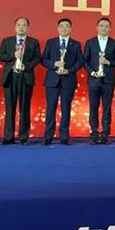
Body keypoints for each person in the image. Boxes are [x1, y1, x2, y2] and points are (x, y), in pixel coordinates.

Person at [0, 17, 41, 145]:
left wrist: (26, 66)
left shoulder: (33, 42)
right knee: (9, 108)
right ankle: (8, 136)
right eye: (19, 25)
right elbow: (0, 56)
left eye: (24, 25)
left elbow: (37, 59)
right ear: (15, 27)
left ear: (28, 27)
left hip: (25, 76)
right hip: (10, 76)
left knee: (25, 107)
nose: (21, 27)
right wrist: (13, 55)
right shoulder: (7, 41)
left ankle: (23, 136)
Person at [42, 18, 83, 146]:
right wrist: (54, 64)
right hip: (52, 81)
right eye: (61, 26)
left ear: (71, 29)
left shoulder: (76, 44)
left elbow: (80, 62)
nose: (64, 28)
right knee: (50, 108)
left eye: (67, 26)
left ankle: (64, 136)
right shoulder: (51, 42)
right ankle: (48, 136)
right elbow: (44, 60)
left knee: (66, 108)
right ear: (58, 28)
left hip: (68, 80)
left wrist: (69, 70)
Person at [83, 17, 115, 145]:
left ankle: (105, 133)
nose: (103, 28)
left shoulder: (114, 43)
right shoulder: (90, 42)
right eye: (101, 25)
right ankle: (94, 133)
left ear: (110, 29)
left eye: (106, 26)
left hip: (108, 80)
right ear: (97, 28)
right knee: (93, 107)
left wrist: (108, 62)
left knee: (107, 107)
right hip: (94, 79)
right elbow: (85, 61)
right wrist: (92, 72)